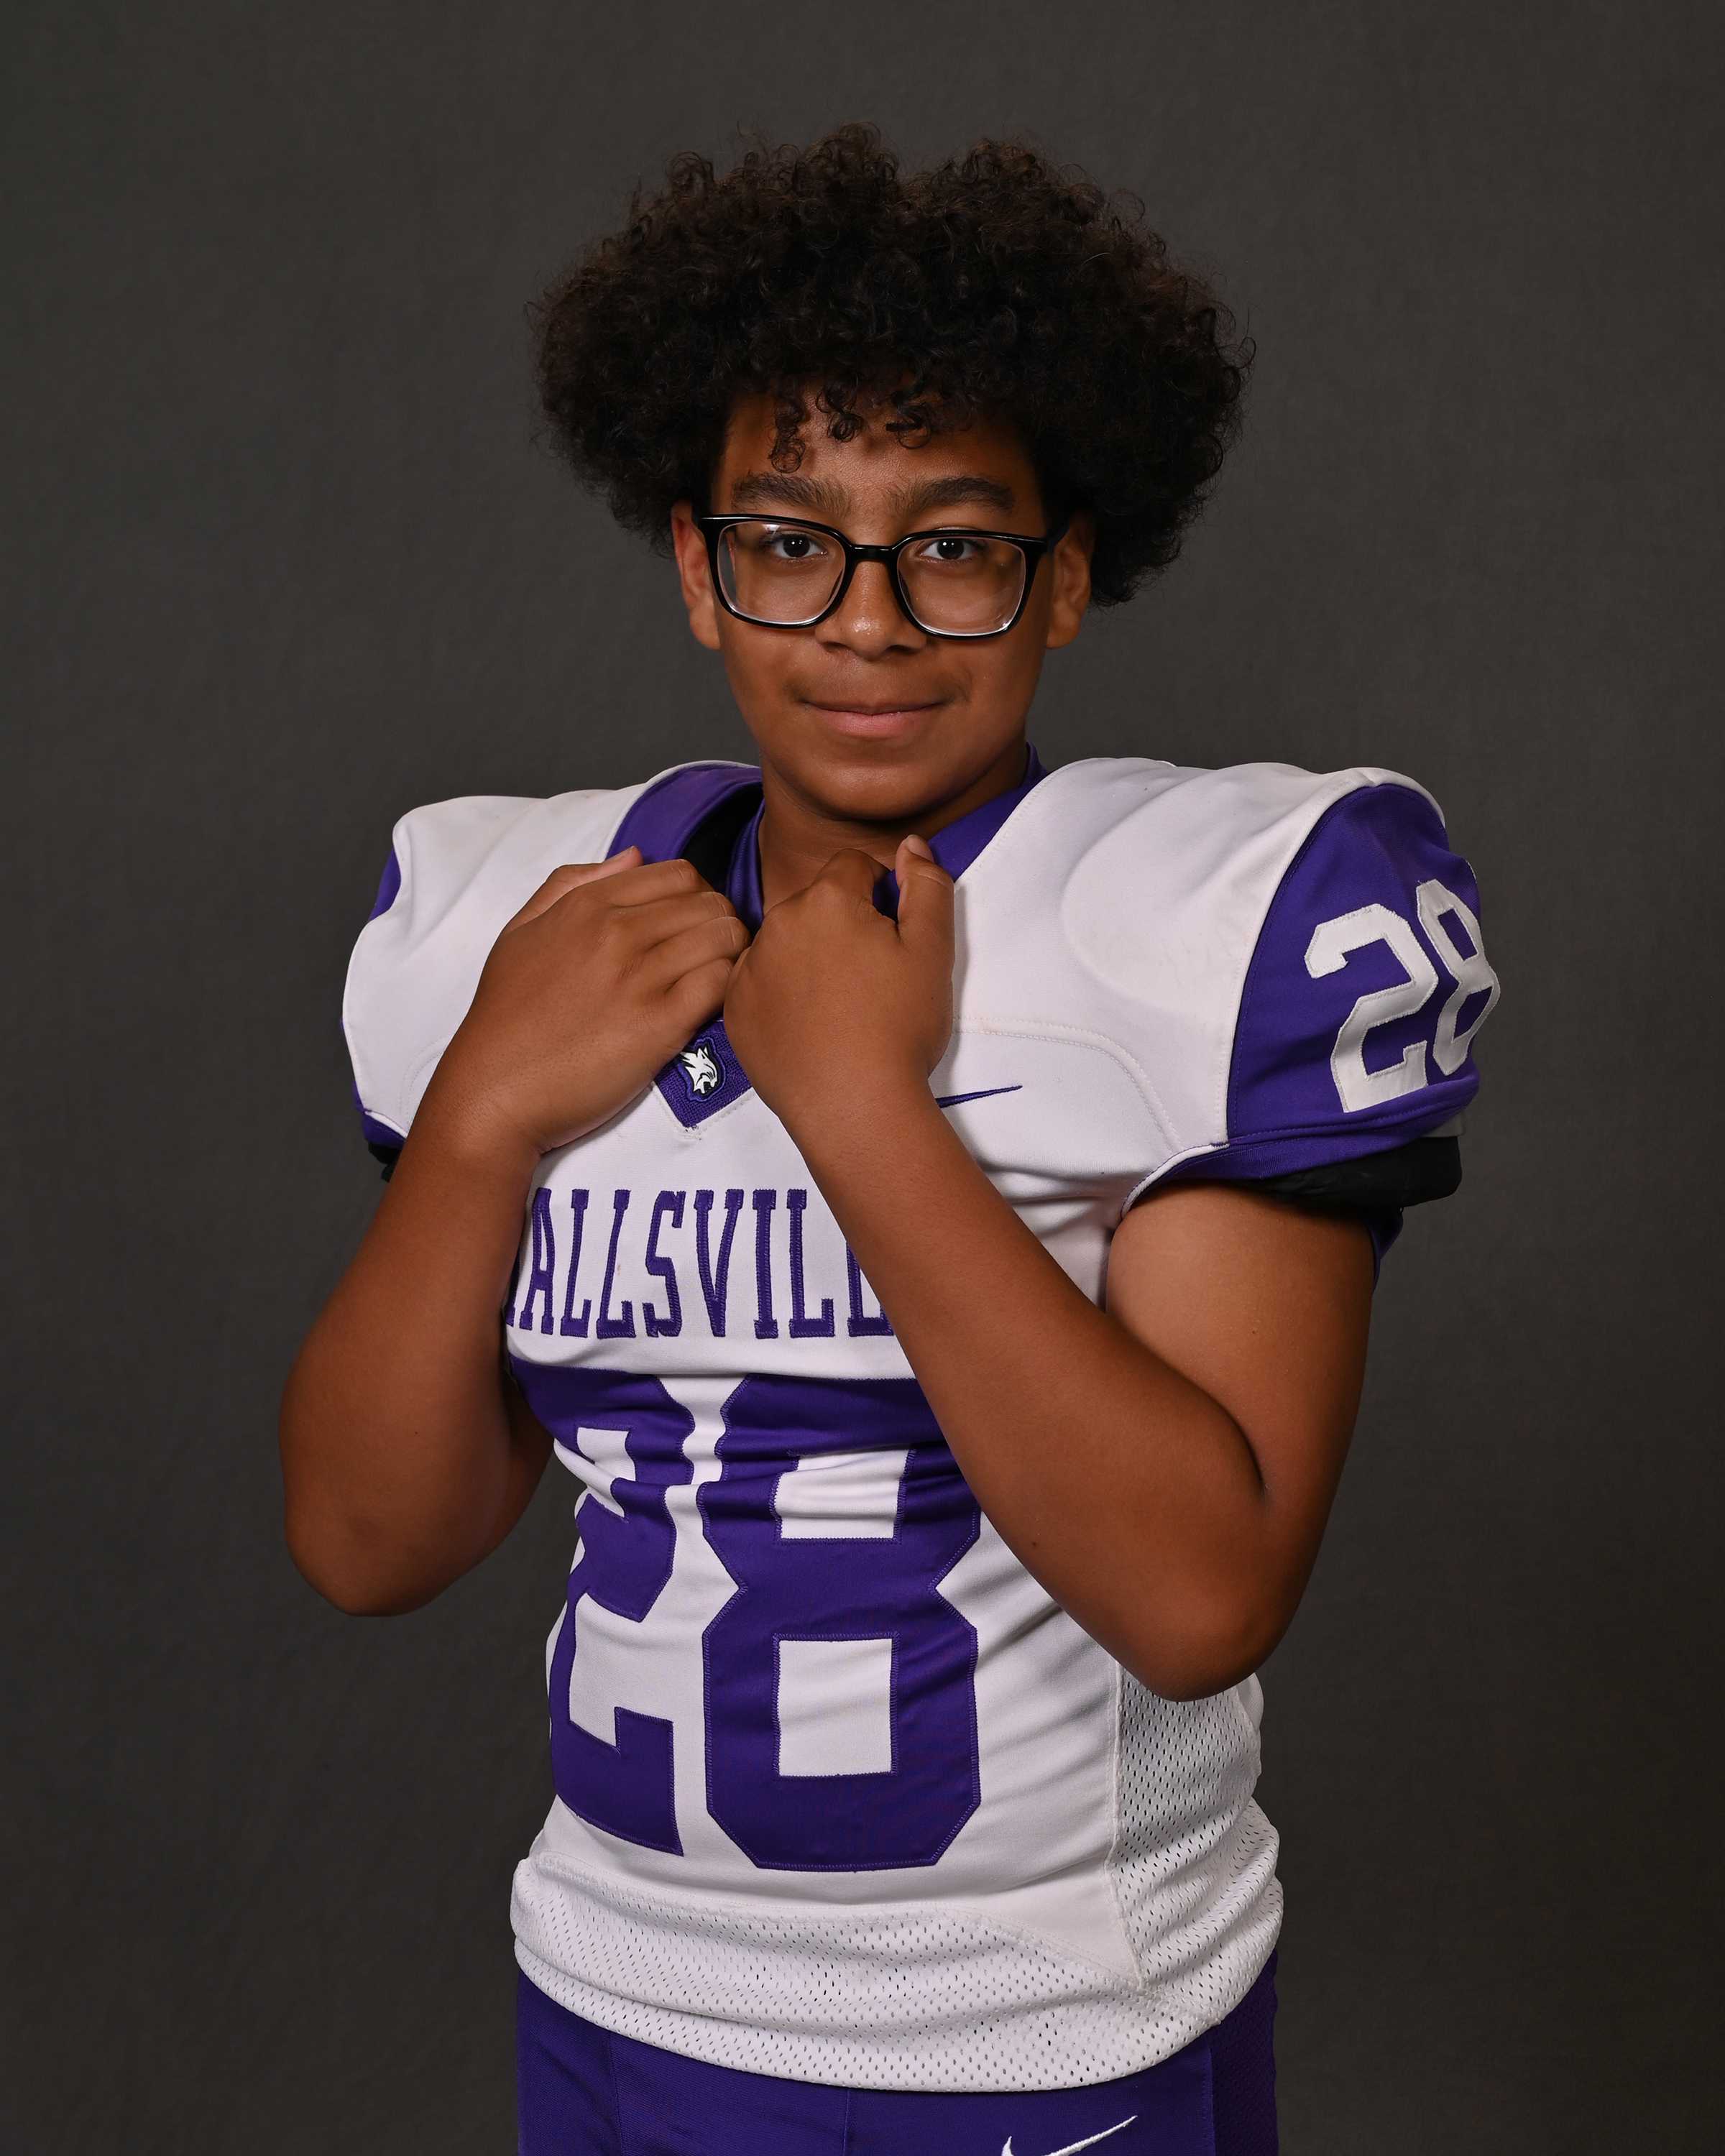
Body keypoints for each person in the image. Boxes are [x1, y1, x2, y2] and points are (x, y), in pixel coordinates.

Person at [280, 126, 1498, 2155]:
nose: (867, 621)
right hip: (612, 1995)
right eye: (789, 540)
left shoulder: (1202, 924)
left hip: (1033, 2037)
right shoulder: (531, 928)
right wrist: (485, 1115)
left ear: (1066, 575)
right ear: (699, 567)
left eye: (954, 546)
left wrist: (858, 1105)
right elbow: (367, 1542)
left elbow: (1202, 1593)